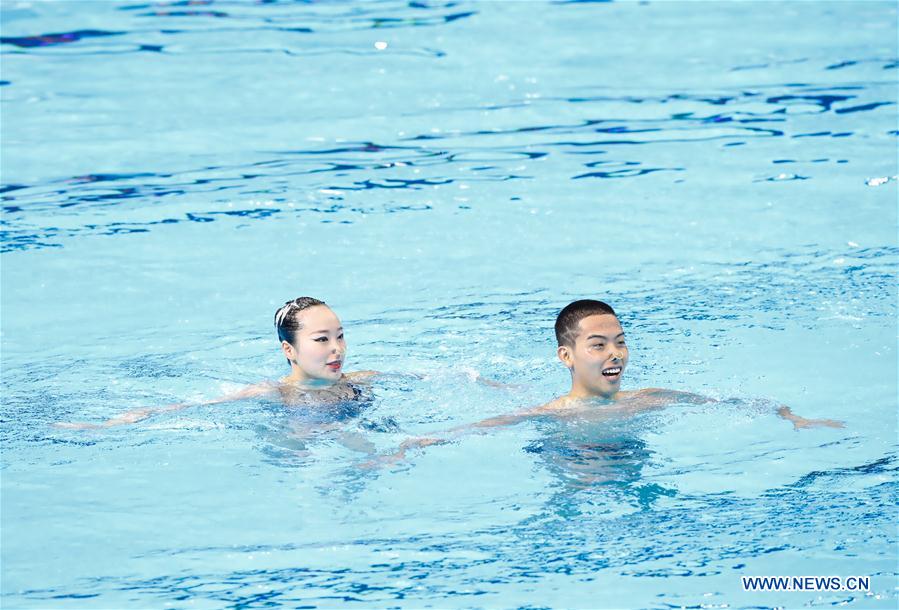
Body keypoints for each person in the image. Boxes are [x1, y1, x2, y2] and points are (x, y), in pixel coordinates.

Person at [383, 299, 844, 462]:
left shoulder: (650, 398)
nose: (615, 353)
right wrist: (415, 444)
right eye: (598, 344)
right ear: (567, 356)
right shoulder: (553, 415)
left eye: (620, 342)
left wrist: (792, 416)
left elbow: (730, 402)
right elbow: (484, 427)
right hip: (574, 468)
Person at [56, 297, 378, 430]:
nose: (337, 349)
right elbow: (192, 407)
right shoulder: (277, 394)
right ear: (289, 350)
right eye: (322, 339)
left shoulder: (358, 382)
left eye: (340, 336)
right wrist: (111, 424)